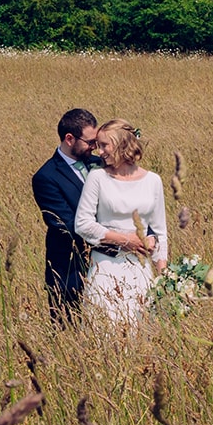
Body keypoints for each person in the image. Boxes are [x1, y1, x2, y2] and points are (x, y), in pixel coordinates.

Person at [74, 118, 168, 327]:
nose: (100, 151)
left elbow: (160, 231)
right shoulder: (97, 178)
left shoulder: (153, 181)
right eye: (98, 145)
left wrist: (164, 280)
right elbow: (82, 223)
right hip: (105, 268)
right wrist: (124, 240)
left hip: (141, 270)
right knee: (105, 330)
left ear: (121, 144)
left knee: (142, 331)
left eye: (104, 145)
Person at [30, 108, 98, 323]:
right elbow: (66, 225)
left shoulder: (100, 164)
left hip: (107, 266)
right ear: (70, 139)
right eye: (90, 142)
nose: (94, 147)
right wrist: (115, 239)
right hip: (70, 271)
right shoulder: (46, 177)